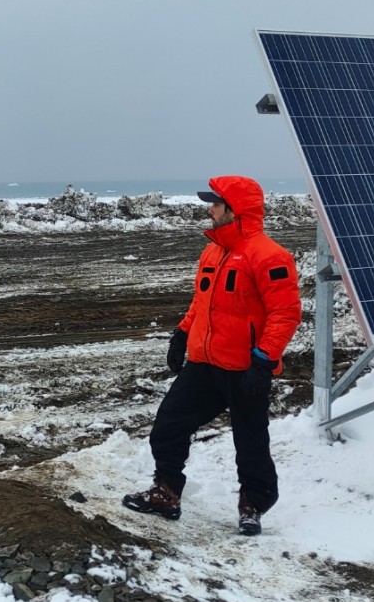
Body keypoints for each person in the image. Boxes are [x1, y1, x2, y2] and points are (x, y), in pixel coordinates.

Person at [123, 175, 301, 536]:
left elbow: (286, 313)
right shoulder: (213, 251)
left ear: (236, 210)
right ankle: (166, 493)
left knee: (250, 441)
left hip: (245, 367)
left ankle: (253, 506)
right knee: (169, 424)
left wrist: (264, 360)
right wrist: (182, 333)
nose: (210, 210)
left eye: (216, 204)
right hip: (205, 364)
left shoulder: (270, 256)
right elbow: (202, 303)